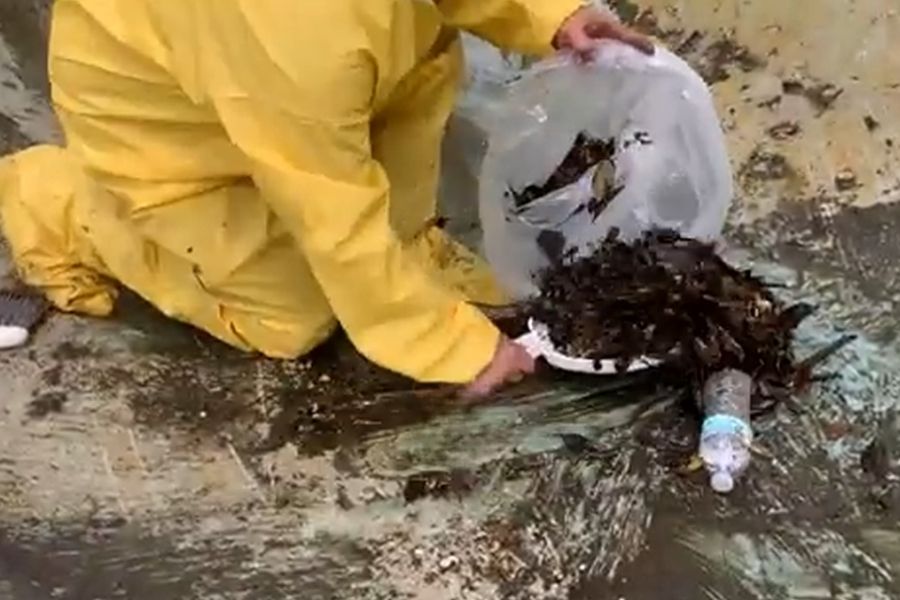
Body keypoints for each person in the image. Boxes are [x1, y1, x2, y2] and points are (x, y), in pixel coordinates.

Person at [0, 0, 652, 397]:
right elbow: (331, 211)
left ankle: (406, 246)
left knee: (408, 100)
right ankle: (52, 204)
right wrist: (450, 345)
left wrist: (551, 16)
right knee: (292, 320)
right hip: (172, 137)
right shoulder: (289, 32)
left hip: (325, 80)